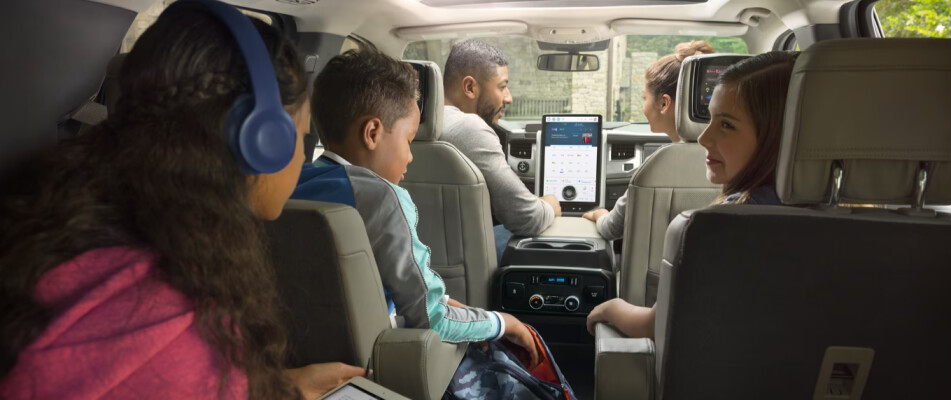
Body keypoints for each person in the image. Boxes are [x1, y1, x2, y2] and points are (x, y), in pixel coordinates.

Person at [0, 2, 364, 399]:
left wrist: (281, 389)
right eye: (302, 133)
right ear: (263, 141)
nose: (300, 154)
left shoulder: (65, 230)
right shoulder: (181, 328)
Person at [295, 47, 541, 367]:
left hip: (299, 356)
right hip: (374, 363)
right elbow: (432, 321)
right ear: (372, 133)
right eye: (409, 140)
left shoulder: (294, 183)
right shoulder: (385, 197)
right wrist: (503, 322)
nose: (410, 157)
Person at [586, 51, 800, 338]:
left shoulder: (720, 228)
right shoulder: (861, 221)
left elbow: (655, 325)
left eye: (726, 125)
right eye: (710, 119)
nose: (703, 137)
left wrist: (606, 309)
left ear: (776, 133)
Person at [440, 40, 561, 262]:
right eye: (502, 86)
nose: (509, 97)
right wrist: (549, 205)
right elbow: (527, 218)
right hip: (464, 262)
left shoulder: (414, 122)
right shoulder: (470, 127)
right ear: (470, 87)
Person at [583, 40, 715, 241]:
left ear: (663, 103)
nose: (644, 107)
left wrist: (598, 213)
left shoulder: (655, 168)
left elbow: (611, 229)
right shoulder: (731, 163)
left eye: (645, 98)